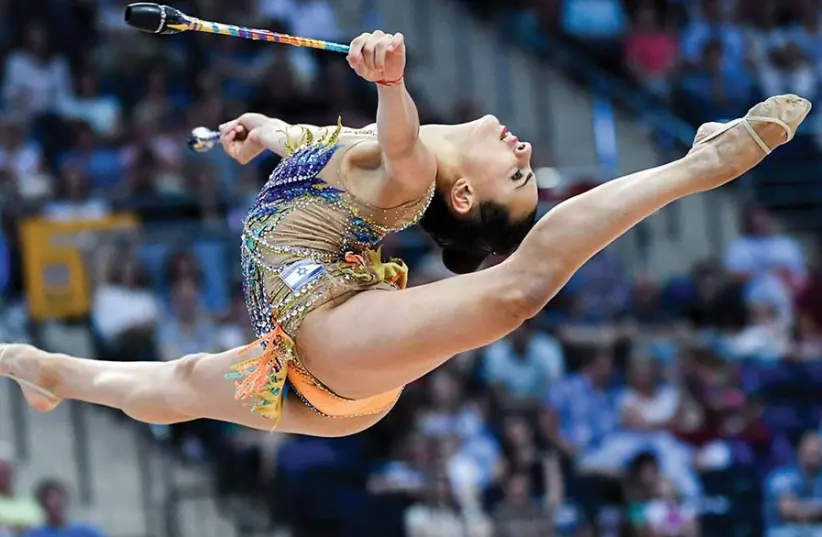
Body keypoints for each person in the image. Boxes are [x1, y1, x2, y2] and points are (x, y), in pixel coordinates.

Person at [0, 30, 811, 439]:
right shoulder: (375, 158)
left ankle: (700, 164)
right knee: (176, 384)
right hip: (330, 359)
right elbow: (327, 146)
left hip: (333, 338)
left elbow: (397, 146)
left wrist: (391, 83)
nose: (524, 149)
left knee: (517, 291)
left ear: (460, 193)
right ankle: (47, 371)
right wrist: (270, 129)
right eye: (528, 166)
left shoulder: (414, 170)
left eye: (517, 176)